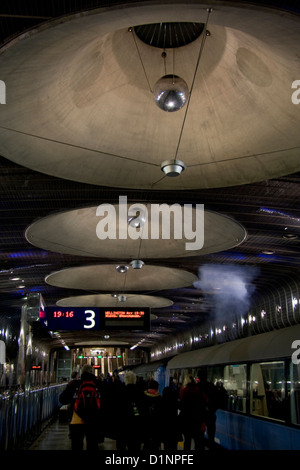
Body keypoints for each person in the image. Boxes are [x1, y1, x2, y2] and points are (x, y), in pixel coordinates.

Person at [59, 364, 103, 451]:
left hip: (76, 421)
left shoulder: (75, 384)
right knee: (93, 445)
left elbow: (62, 400)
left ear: (81, 373)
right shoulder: (99, 384)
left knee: (76, 446)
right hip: (94, 421)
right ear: (93, 373)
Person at [197, 368, 225, 449]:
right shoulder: (212, 386)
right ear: (206, 376)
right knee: (211, 437)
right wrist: (212, 410)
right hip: (210, 415)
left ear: (199, 377)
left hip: (200, 416)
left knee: (199, 437)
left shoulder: (197, 387)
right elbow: (218, 400)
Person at [179, 374, 207, 451]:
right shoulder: (199, 390)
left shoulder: (183, 391)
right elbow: (205, 402)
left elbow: (182, 404)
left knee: (187, 441)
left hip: (186, 420)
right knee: (198, 442)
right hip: (197, 420)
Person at [140, 379, 163, 450]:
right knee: (155, 445)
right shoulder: (159, 398)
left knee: (146, 444)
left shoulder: (142, 397)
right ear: (156, 388)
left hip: (145, 425)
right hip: (156, 427)